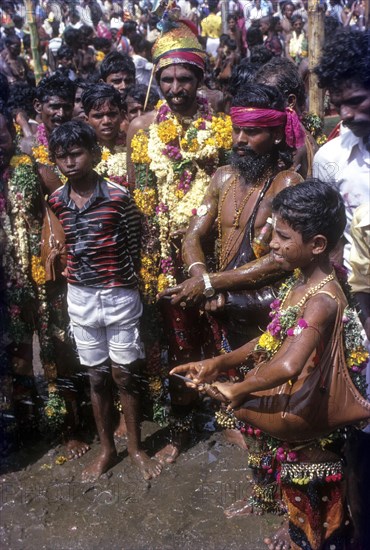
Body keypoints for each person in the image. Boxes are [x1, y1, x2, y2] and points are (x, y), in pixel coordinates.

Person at [171, 179, 369, 550]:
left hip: (313, 421)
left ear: (317, 245)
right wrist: (220, 361)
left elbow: (290, 364)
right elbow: (271, 338)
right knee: (298, 500)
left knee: (316, 516)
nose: (270, 244)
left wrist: (239, 387)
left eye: (281, 237)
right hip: (300, 406)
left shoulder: (322, 300)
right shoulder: (300, 281)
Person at [126, 16, 232, 462]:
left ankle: (229, 418)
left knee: (223, 331)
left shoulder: (224, 127)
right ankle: (183, 426)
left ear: (200, 78)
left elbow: (234, 189)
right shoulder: (142, 128)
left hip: (215, 249)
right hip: (165, 252)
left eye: (184, 78)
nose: (175, 87)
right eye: (166, 78)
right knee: (178, 338)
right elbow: (139, 197)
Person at [48, 120, 162, 482]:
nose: (69, 162)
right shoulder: (57, 200)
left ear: (95, 154)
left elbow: (134, 242)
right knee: (96, 376)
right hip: (80, 295)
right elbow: (65, 245)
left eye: (77, 153)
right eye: (62, 157)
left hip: (118, 293)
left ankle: (136, 448)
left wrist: (131, 284)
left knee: (125, 374)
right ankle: (107, 450)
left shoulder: (117, 197)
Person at [161, 84, 304, 351]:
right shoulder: (223, 176)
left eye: (251, 132)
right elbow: (193, 235)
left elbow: (281, 259)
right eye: (237, 129)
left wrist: (209, 283)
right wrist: (201, 276)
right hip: (220, 301)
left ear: (275, 135)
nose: (239, 139)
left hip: (266, 306)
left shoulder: (286, 183)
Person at [313, 29, 370, 270]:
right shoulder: (330, 158)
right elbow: (330, 233)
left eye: (356, 101)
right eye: (338, 105)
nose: (345, 114)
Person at [82, 83, 127, 186]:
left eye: (112, 114)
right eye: (98, 116)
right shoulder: (81, 153)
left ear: (121, 115)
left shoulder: (133, 148)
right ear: (86, 120)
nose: (106, 121)